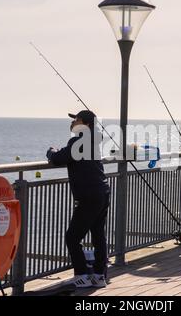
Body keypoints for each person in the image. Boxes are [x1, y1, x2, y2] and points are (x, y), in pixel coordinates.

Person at [46, 110, 110, 288]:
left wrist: (51, 152)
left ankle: (81, 275)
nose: (73, 122)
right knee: (98, 235)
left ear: (86, 123)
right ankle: (99, 276)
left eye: (76, 119)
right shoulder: (94, 139)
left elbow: (59, 158)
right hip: (102, 191)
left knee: (72, 237)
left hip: (89, 195)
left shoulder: (79, 141)